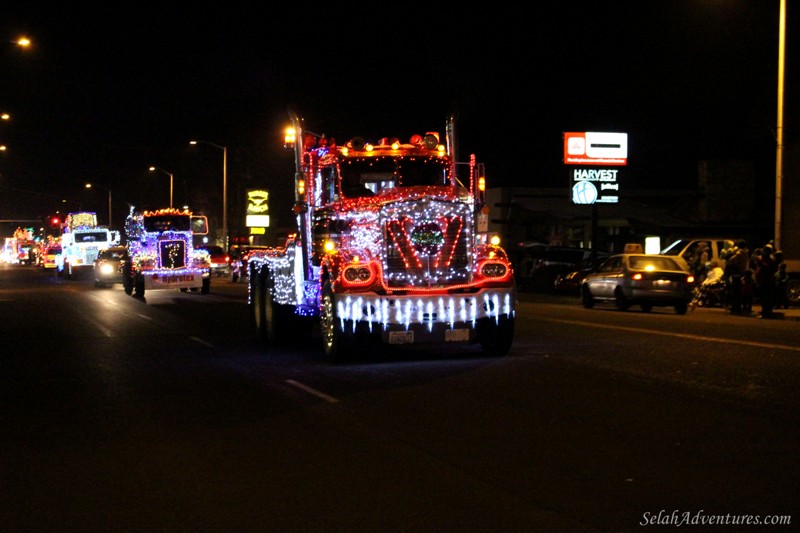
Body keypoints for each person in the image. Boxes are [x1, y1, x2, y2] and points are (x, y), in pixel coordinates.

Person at [754, 243, 778, 318]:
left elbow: (767, 268)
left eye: (765, 250)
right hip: (763, 280)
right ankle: (766, 311)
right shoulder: (764, 258)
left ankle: (766, 313)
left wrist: (760, 263)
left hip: (767, 280)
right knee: (764, 296)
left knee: (766, 297)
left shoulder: (770, 259)